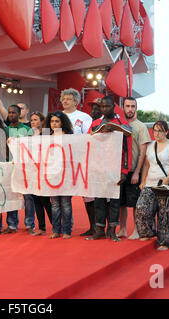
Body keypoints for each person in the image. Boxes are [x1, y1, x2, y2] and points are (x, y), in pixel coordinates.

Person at [86, 95, 132, 242]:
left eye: (107, 106)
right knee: (98, 200)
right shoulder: (95, 124)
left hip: (115, 168)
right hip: (99, 167)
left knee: (114, 201)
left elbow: (127, 150)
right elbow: (88, 144)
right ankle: (99, 230)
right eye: (102, 107)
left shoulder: (122, 123)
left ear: (114, 107)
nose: (105, 109)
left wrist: (124, 171)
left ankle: (112, 231)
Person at [135, 120, 169, 251]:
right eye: (155, 130)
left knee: (166, 214)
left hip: (166, 184)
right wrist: (143, 181)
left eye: (160, 130)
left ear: (166, 132)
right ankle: (147, 232)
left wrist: (168, 178)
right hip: (150, 183)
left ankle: (165, 241)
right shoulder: (151, 145)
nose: (157, 133)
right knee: (141, 208)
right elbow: (146, 164)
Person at [59, 88, 95, 237]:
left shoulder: (84, 117)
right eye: (63, 98)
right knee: (62, 196)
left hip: (80, 160)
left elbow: (89, 136)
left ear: (76, 101)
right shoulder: (57, 116)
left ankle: (93, 226)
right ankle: (65, 226)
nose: (65, 101)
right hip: (62, 161)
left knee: (87, 195)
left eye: (68, 98)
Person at [118, 97, 151, 240]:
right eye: (127, 106)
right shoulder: (118, 125)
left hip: (133, 172)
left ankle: (137, 229)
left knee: (135, 203)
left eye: (133, 106)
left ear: (136, 108)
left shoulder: (140, 127)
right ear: (123, 107)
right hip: (120, 172)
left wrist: (137, 172)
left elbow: (143, 153)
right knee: (121, 203)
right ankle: (123, 229)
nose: (130, 109)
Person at [3, 105, 34, 234]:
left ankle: (29, 224)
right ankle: (11, 224)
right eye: (9, 113)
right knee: (10, 195)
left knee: (28, 196)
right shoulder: (4, 130)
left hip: (25, 166)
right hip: (9, 166)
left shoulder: (27, 129)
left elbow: (32, 148)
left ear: (19, 113)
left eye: (13, 112)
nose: (11, 115)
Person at [46, 111, 75, 239]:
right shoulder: (46, 136)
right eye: (52, 121)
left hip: (66, 173)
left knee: (66, 203)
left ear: (62, 122)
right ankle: (56, 230)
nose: (54, 124)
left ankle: (67, 231)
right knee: (55, 204)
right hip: (52, 173)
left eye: (57, 121)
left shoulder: (69, 136)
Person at [29, 112, 53, 236]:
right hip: (32, 171)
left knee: (45, 200)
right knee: (36, 200)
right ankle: (41, 227)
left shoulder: (47, 134)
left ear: (42, 121)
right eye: (31, 120)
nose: (33, 122)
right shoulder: (28, 135)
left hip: (44, 170)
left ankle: (55, 226)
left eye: (36, 119)